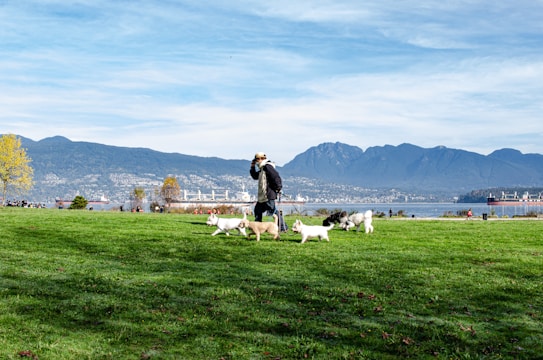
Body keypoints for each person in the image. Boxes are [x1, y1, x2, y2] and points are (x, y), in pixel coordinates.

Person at [249, 152, 285, 228]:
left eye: (259, 159)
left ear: (262, 159)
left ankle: (282, 227)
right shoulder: (262, 169)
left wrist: (278, 187)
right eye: (257, 159)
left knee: (273, 211)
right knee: (258, 211)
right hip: (262, 195)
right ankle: (257, 227)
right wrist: (252, 167)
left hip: (268, 194)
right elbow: (255, 176)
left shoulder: (267, 167)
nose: (258, 161)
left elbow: (276, 177)